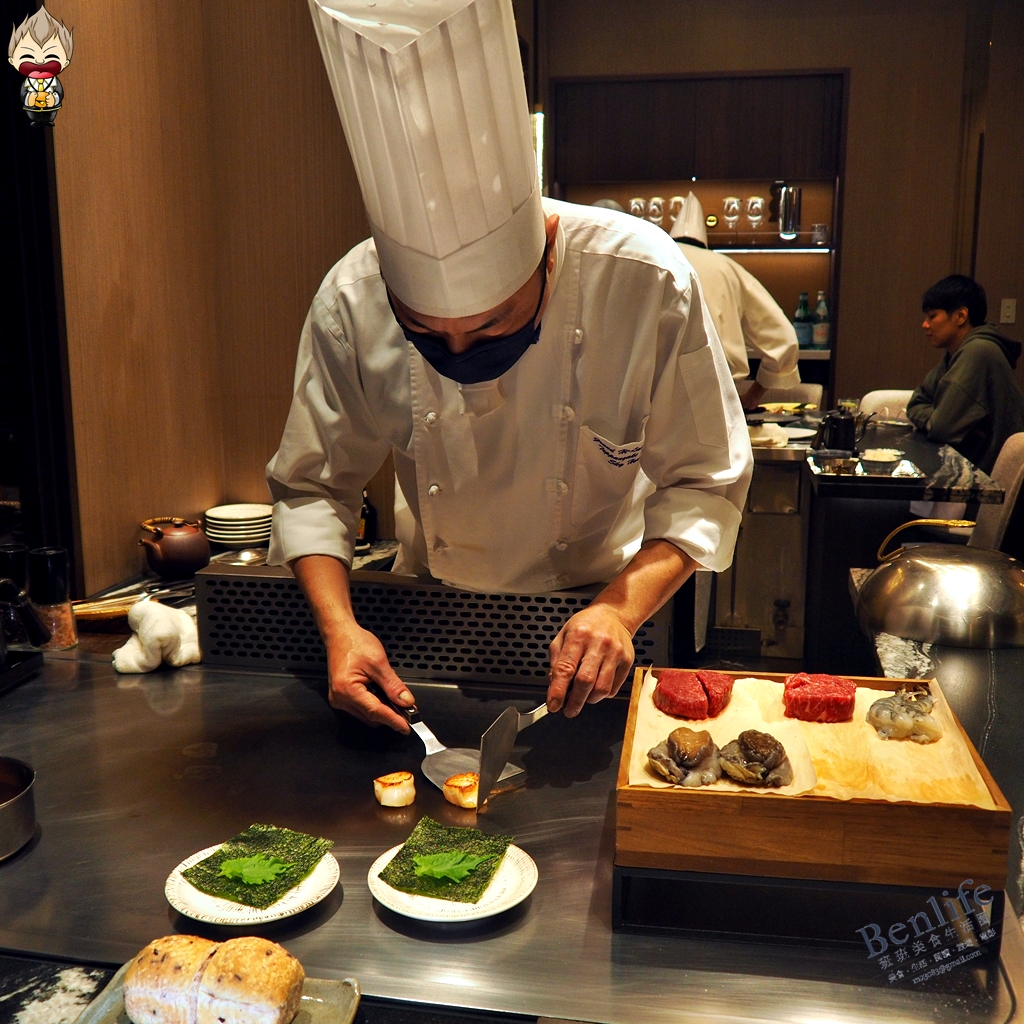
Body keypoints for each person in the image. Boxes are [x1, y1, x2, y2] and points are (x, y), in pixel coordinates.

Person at [267, 0, 751, 734]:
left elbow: (703, 484)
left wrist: (619, 610)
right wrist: (340, 628)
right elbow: (311, 487)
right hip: (427, 613)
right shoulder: (352, 295)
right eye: (426, 331)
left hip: (600, 615)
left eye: (491, 325)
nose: (462, 357)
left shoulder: (641, 277)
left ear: (548, 249)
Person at [669, 193, 801, 411]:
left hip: (654, 404)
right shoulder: (726, 268)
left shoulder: (651, 262)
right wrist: (752, 396)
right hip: (717, 399)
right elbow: (784, 341)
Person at [907, 275, 1024, 474]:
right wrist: (935, 416)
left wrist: (935, 418)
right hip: (969, 470)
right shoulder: (957, 352)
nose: (925, 325)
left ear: (961, 316)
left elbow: (941, 428)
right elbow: (917, 402)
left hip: (985, 481)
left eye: (932, 316)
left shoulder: (978, 351)